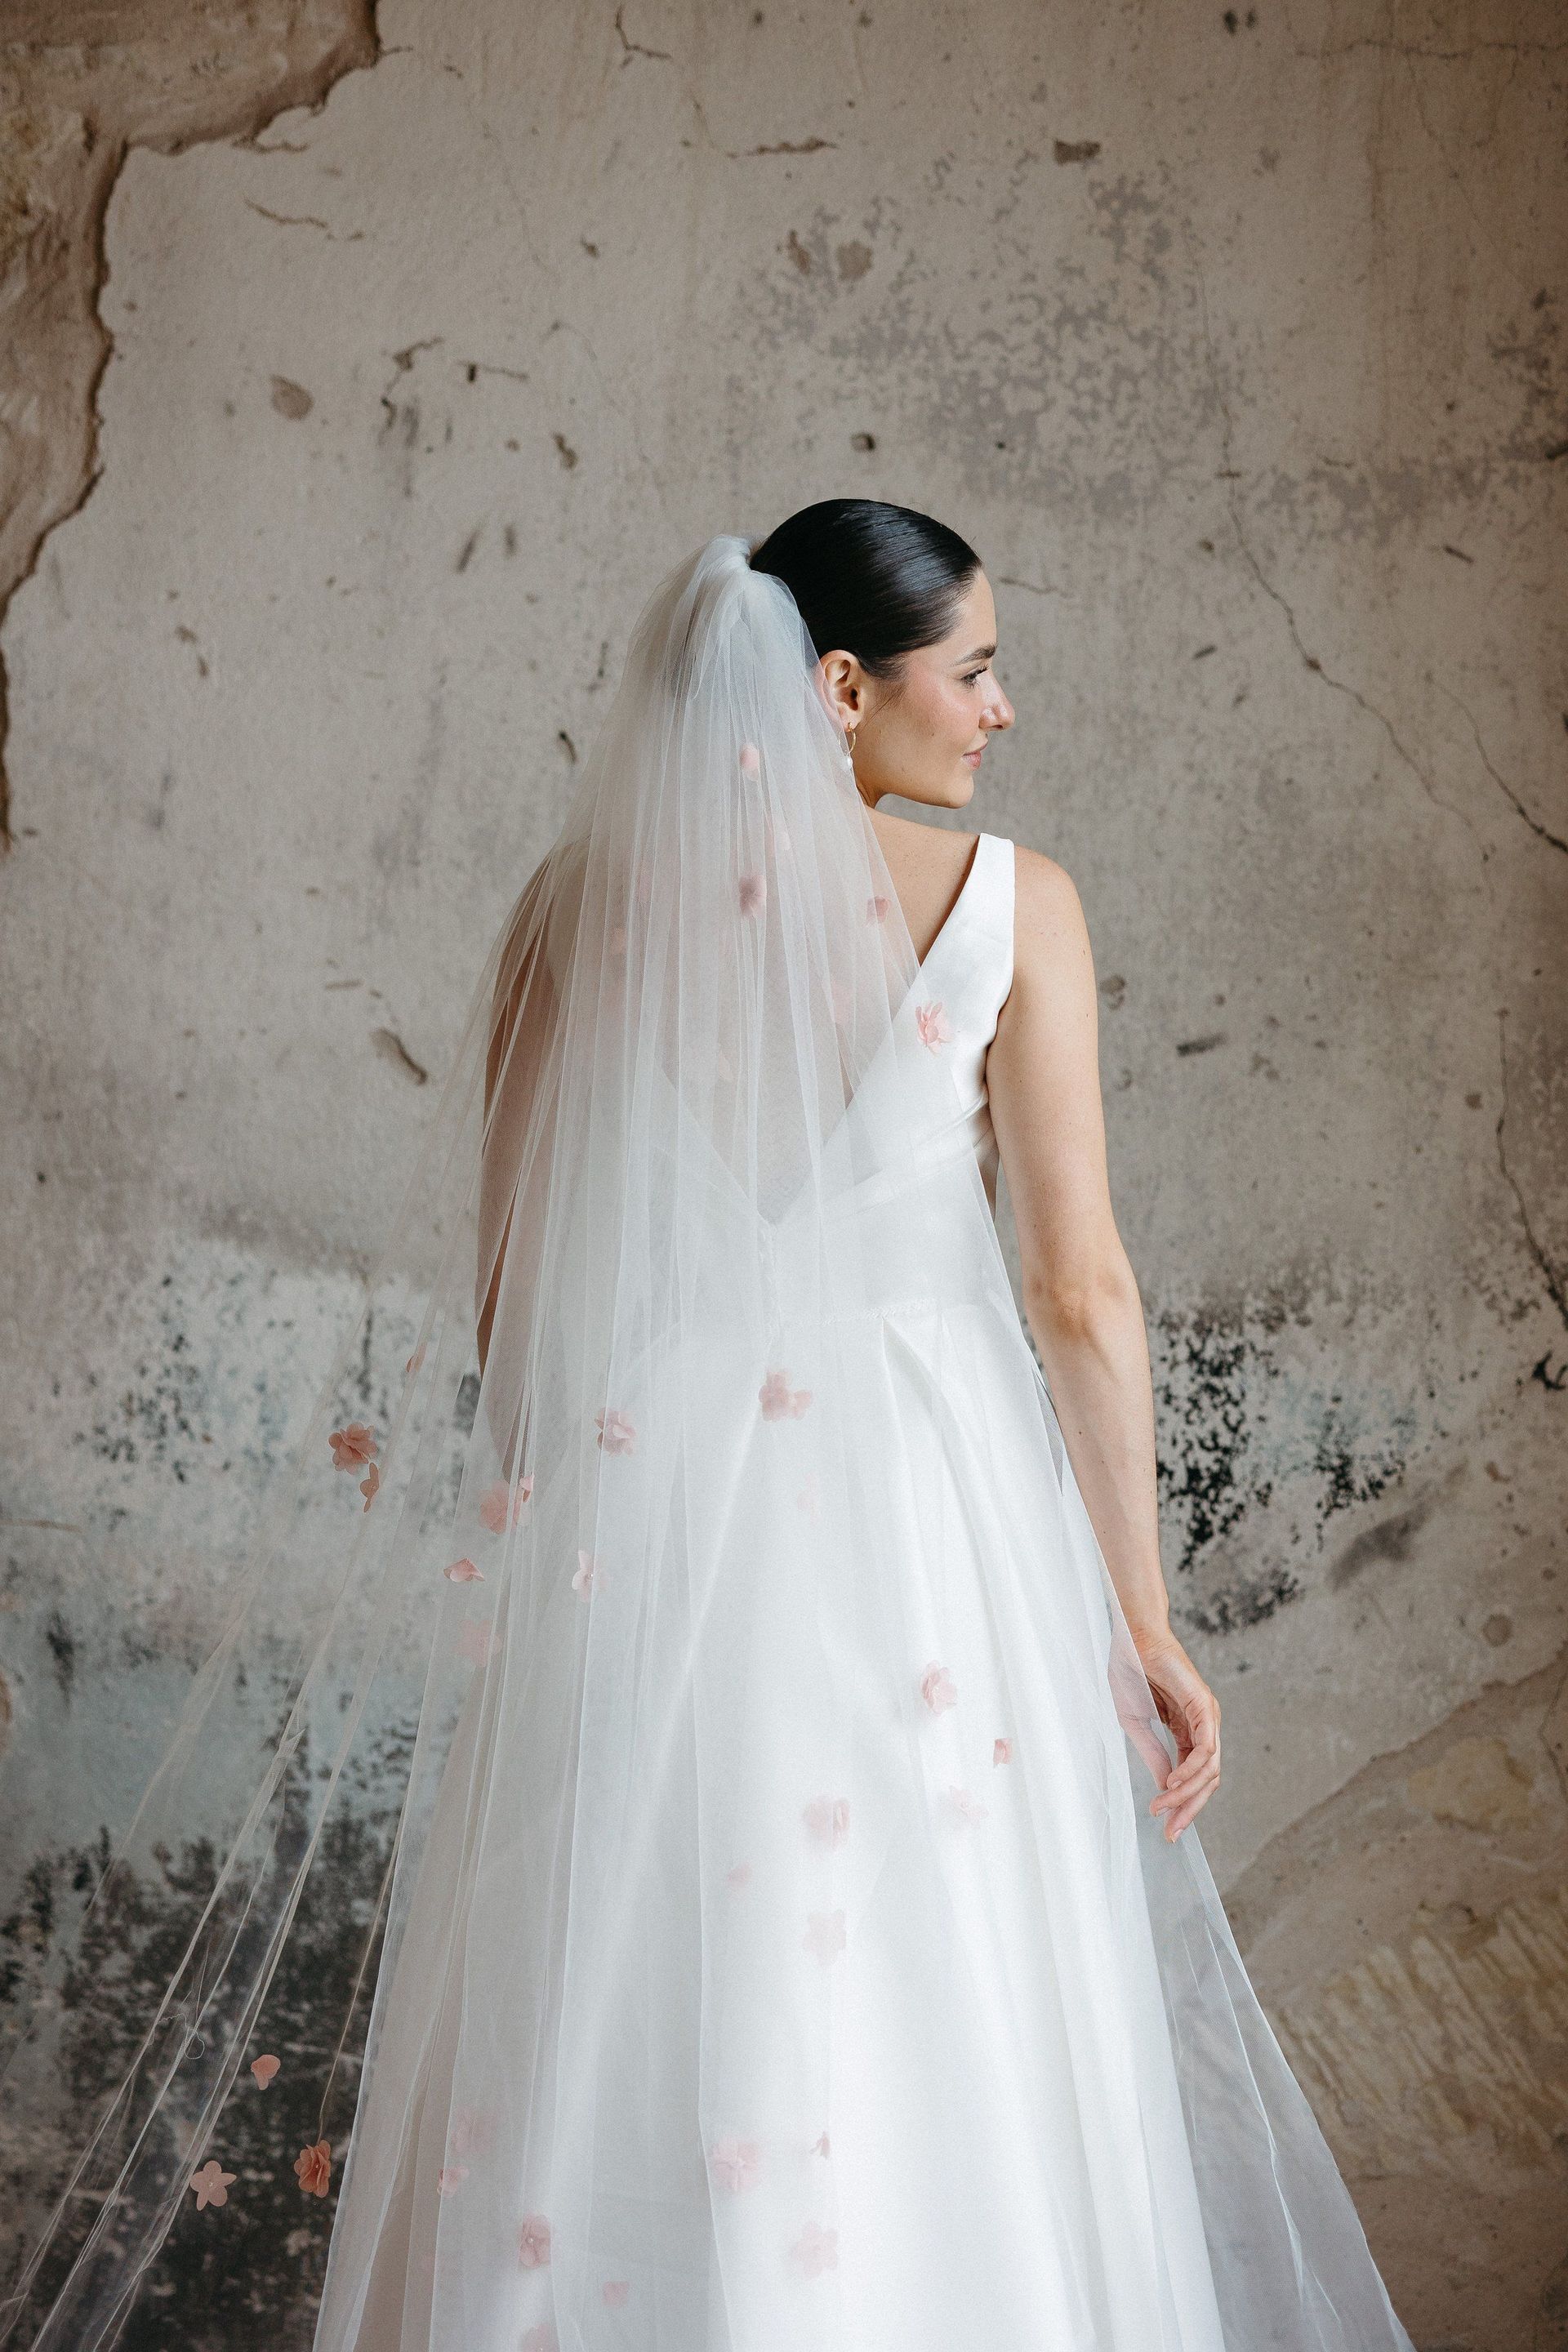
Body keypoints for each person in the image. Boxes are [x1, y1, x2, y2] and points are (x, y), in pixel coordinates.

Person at [1, 504, 1415, 2352]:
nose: (1002, 709)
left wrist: (580, 1516)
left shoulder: (571, 911)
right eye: (971, 668)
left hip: (659, 1505)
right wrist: (1138, 1623)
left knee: (652, 1992)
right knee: (938, 1980)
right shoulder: (1013, 907)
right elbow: (1080, 1296)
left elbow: (511, 1304)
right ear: (840, 688)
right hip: (928, 1523)